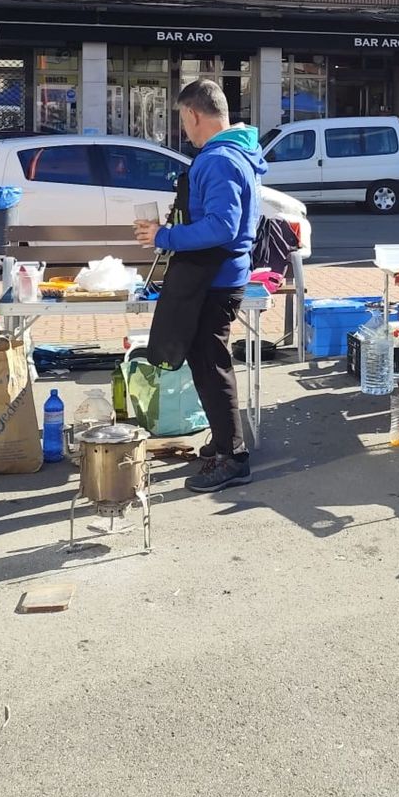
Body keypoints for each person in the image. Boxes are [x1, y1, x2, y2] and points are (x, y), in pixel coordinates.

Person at [134, 79, 264, 494]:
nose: (183, 129)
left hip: (216, 277)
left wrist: (163, 237)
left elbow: (222, 226)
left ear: (193, 113)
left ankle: (232, 456)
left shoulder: (219, 160)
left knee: (210, 364)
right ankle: (224, 440)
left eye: (182, 118)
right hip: (223, 274)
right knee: (207, 361)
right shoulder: (238, 153)